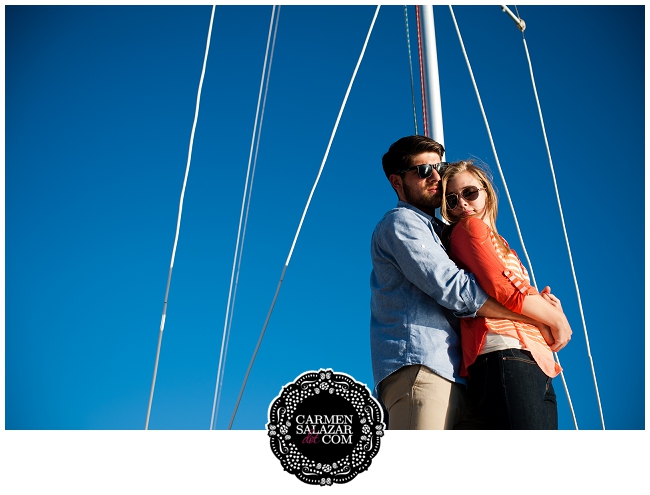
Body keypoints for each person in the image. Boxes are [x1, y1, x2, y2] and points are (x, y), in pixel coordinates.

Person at [370, 135, 570, 430]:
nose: (436, 176)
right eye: (423, 170)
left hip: (461, 376)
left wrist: (540, 303)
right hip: (423, 368)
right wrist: (536, 317)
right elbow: (456, 289)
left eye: (439, 166)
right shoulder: (402, 222)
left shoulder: (441, 232)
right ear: (397, 183)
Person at [439, 159, 572, 429]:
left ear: (486, 190)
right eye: (452, 200)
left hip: (533, 361)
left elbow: (518, 290)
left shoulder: (504, 246)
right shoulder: (468, 229)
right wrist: (555, 321)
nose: (462, 204)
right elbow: (504, 288)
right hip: (503, 352)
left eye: (469, 193)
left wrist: (545, 309)